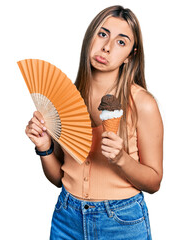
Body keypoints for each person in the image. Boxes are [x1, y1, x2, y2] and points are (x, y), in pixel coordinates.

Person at [25, 5, 163, 240]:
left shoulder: (142, 103)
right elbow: (60, 178)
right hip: (67, 218)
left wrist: (122, 159)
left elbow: (154, 182)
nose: (107, 47)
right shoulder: (65, 98)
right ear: (90, 37)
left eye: (121, 42)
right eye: (102, 34)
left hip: (121, 222)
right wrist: (44, 146)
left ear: (131, 55)